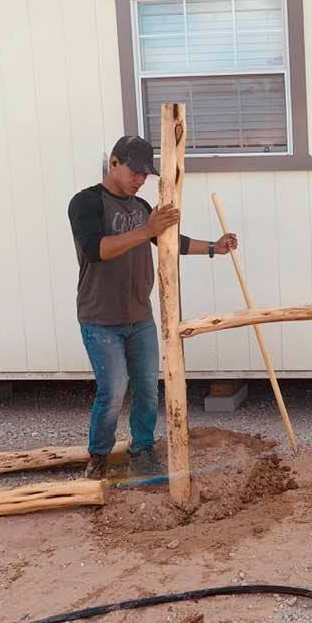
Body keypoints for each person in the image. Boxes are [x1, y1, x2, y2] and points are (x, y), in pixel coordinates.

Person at [67, 135, 238, 479]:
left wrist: (213, 248)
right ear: (113, 163)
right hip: (100, 318)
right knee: (113, 391)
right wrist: (146, 230)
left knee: (146, 390)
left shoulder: (141, 208)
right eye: (135, 172)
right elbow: (96, 250)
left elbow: (170, 241)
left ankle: (141, 451)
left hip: (139, 317)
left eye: (146, 175)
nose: (141, 180)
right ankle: (98, 456)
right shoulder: (86, 203)